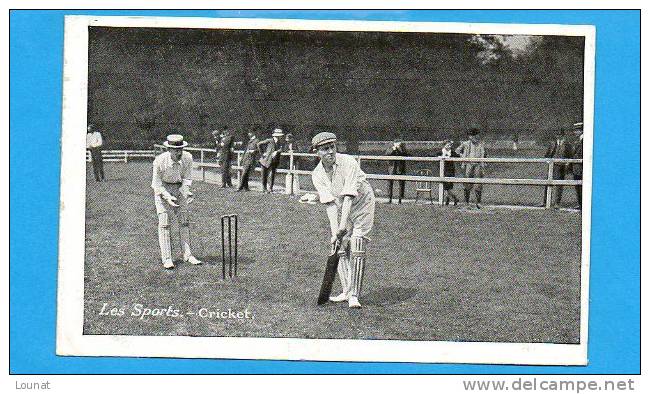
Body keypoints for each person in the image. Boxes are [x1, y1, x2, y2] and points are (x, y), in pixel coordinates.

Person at [311, 132, 376, 309]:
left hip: (362, 203)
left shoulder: (348, 162)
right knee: (339, 244)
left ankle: (354, 295)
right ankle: (346, 290)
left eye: (332, 147)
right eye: (325, 149)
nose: (330, 152)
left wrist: (342, 227)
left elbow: (348, 197)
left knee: (356, 243)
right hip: (342, 206)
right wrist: (336, 233)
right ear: (317, 152)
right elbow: (330, 205)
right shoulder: (317, 175)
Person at [151, 134, 203, 269]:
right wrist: (168, 197)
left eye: (180, 149)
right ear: (169, 150)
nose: (179, 152)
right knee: (164, 224)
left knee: (184, 222)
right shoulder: (159, 161)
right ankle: (167, 259)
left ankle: (188, 255)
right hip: (163, 189)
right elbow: (156, 185)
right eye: (175, 150)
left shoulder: (188, 158)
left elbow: (187, 179)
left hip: (179, 187)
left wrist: (186, 192)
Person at [455, 127, 486, 208]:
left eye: (473, 135)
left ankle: (478, 202)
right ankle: (466, 202)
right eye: (470, 136)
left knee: (478, 184)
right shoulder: (465, 144)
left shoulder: (481, 144)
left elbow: (484, 154)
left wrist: (483, 163)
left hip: (478, 165)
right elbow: (457, 151)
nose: (471, 137)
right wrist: (462, 157)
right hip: (468, 164)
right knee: (467, 183)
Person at [544, 128, 573, 208]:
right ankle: (546, 202)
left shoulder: (567, 144)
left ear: (563, 135)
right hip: (552, 166)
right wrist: (548, 162)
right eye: (557, 135)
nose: (558, 136)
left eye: (560, 135)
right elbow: (547, 155)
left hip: (561, 167)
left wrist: (567, 164)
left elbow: (570, 156)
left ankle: (557, 203)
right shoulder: (552, 144)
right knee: (548, 183)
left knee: (559, 185)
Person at [258, 128, 285, 193]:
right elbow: (259, 144)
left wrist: (276, 152)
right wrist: (262, 154)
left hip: (273, 161)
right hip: (265, 160)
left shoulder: (280, 143)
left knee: (272, 174)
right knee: (264, 175)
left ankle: (270, 188)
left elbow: (282, 149)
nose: (280, 137)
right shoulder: (270, 140)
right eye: (279, 136)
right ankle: (264, 188)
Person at [384, 139, 409, 204]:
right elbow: (387, 154)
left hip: (400, 168)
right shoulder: (390, 146)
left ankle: (400, 199)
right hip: (392, 168)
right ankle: (389, 199)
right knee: (390, 184)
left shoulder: (402, 147)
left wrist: (399, 148)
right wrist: (393, 149)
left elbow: (405, 154)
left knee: (401, 184)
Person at [438, 139, 459, 206]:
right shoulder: (441, 152)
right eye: (448, 145)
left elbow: (458, 156)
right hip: (443, 170)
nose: (449, 146)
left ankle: (449, 199)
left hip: (450, 170)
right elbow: (434, 156)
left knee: (449, 186)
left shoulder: (452, 153)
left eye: (450, 145)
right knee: (446, 186)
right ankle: (453, 198)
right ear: (444, 145)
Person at [571, 122, 584, 210]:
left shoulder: (584, 140)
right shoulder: (577, 141)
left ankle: (582, 204)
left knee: (581, 186)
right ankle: (580, 204)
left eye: (577, 130)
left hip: (581, 167)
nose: (575, 132)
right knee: (578, 186)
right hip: (576, 167)